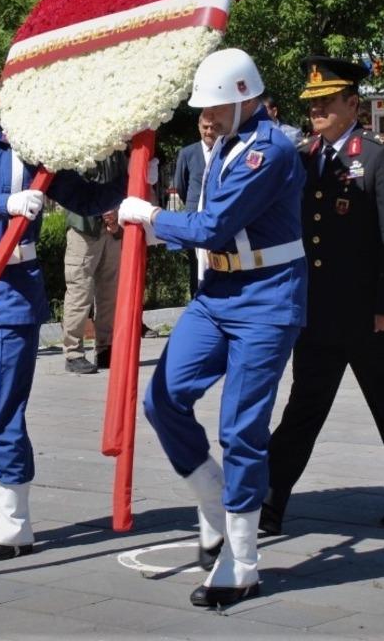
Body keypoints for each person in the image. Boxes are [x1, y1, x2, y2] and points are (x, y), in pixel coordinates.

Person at [117, 48, 306, 607]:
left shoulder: (267, 151)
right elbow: (204, 225)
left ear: (247, 97)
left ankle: (243, 561)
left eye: (219, 105)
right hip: (217, 293)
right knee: (162, 399)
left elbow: (214, 224)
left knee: (240, 429)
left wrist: (150, 217)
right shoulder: (227, 144)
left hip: (267, 299)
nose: (210, 115)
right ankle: (212, 497)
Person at [0, 62, 125, 564]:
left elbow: (89, 197)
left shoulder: (34, 156)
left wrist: (128, 158)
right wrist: (9, 202)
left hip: (13, 293)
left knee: (5, 410)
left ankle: (16, 520)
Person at [263, 57, 384, 542]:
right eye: (311, 102)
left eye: (326, 101)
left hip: (369, 313)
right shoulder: (305, 154)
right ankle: (270, 504)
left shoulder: (379, 155)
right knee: (302, 409)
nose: (316, 109)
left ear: (352, 103)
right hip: (318, 313)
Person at [61, 151, 127, 373]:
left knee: (109, 291)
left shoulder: (117, 147)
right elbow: (78, 182)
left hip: (112, 226)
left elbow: (122, 179)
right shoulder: (81, 141)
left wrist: (116, 211)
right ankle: (73, 352)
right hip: (84, 228)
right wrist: (105, 208)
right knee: (80, 291)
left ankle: (105, 348)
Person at [173, 116, 218, 297]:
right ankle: (196, 300)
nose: (208, 131)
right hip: (195, 219)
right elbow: (181, 184)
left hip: (219, 217)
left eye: (212, 127)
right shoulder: (188, 153)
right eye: (205, 127)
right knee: (195, 266)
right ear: (199, 127)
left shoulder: (225, 150)